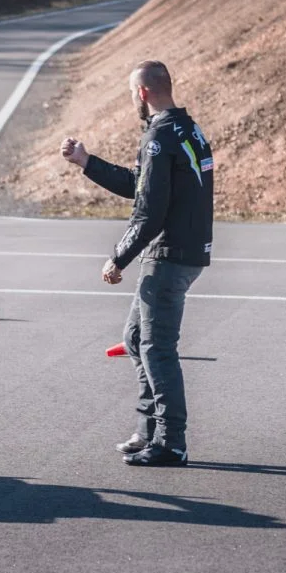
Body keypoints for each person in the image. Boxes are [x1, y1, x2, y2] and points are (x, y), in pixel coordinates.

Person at [60, 61, 214, 467]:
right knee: (134, 339)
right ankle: (149, 431)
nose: (133, 99)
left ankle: (171, 443)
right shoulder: (188, 130)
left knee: (157, 347)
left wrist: (118, 258)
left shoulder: (158, 136)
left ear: (143, 92)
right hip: (187, 251)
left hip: (168, 255)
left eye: (132, 92)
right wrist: (87, 161)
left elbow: (149, 212)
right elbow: (142, 184)